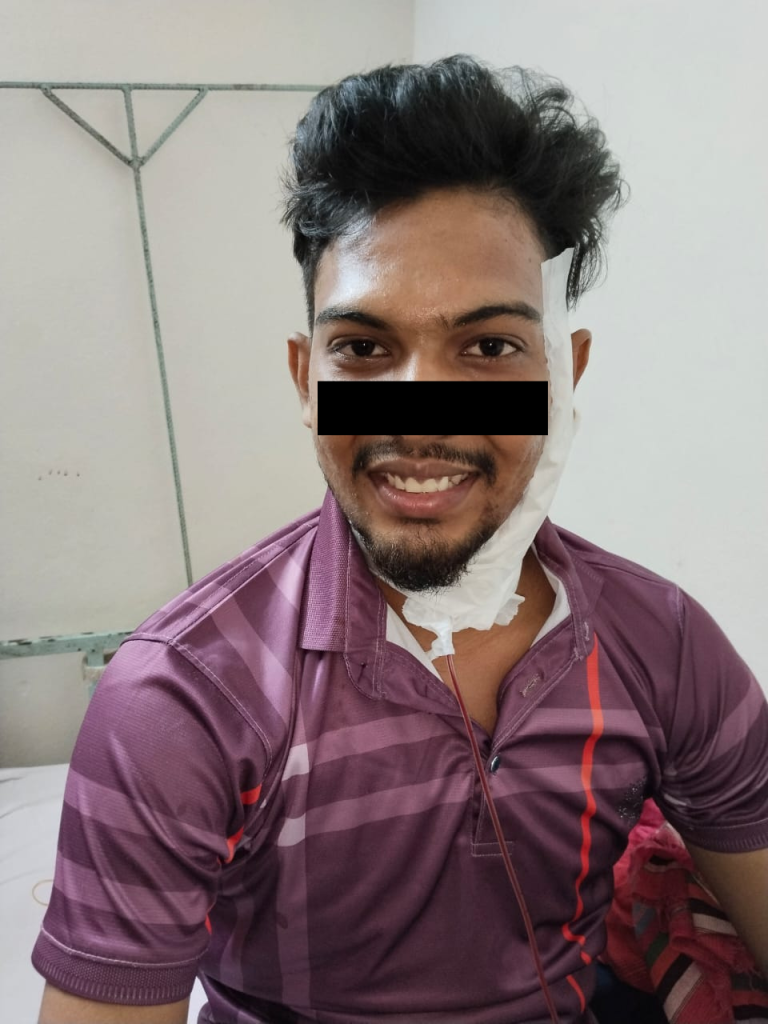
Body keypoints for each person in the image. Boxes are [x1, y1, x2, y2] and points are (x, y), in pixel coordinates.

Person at [33, 55, 768, 1024]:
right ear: (307, 379)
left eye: (490, 347)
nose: (421, 414)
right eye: (364, 349)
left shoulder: (663, 642)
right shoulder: (185, 698)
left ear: (563, 374)